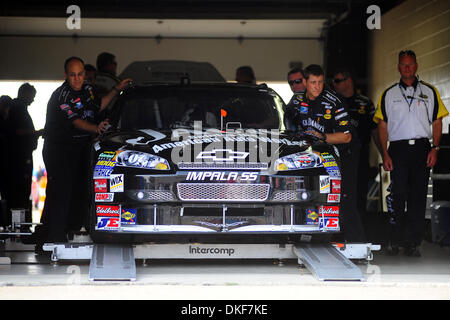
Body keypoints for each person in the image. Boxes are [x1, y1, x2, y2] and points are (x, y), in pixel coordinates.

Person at [36, 56, 132, 249]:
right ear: (66, 75)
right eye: (73, 75)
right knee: (61, 190)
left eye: (80, 74)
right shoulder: (61, 95)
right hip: (59, 149)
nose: (77, 79)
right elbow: (76, 122)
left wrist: (116, 90)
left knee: (80, 189)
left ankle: (69, 229)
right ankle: (54, 237)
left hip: (80, 147)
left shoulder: (88, 90)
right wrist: (96, 128)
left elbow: (100, 104)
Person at [373, 50, 448, 257]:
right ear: (398, 67)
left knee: (418, 195)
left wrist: (435, 148)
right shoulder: (388, 94)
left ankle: (413, 243)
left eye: (410, 64)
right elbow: (382, 125)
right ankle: (395, 240)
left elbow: (437, 121)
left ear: (416, 66)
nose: (407, 68)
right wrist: (385, 155)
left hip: (423, 148)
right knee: (397, 194)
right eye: (403, 65)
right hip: (398, 149)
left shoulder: (429, 91)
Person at [285, 64, 366, 243]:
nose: (317, 87)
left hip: (342, 154)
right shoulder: (296, 100)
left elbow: (346, 137)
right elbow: (287, 125)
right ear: (305, 82)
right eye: (313, 82)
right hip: (311, 156)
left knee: (343, 199)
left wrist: (322, 137)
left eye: (320, 82)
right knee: (308, 194)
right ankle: (307, 237)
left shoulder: (334, 101)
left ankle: (355, 242)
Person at [332, 67, 381, 217]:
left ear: (349, 81)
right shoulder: (332, 103)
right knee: (339, 192)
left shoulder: (365, 103)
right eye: (334, 81)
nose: (334, 84)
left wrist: (384, 154)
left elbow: (375, 131)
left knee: (360, 192)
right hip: (338, 156)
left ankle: (361, 229)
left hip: (360, 156)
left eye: (338, 80)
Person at [0, 95, 13, 227]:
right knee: (6, 194)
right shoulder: (4, 122)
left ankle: (5, 222)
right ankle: (5, 222)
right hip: (4, 163)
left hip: (5, 162)